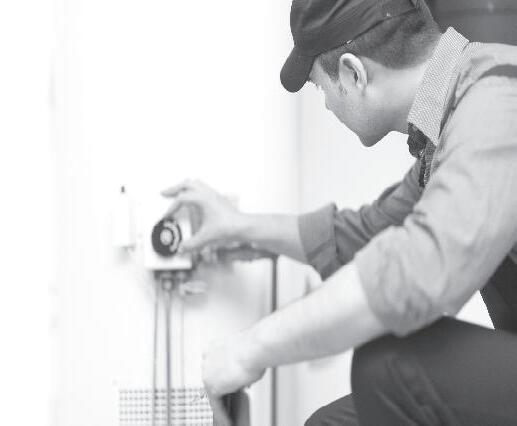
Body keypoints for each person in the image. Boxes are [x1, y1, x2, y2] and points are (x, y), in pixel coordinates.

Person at [162, 0, 517, 424]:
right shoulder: (449, 129)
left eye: (320, 88)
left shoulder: (499, 99)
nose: (327, 105)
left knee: (390, 362)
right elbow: (368, 234)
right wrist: (239, 227)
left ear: (353, 74)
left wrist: (250, 349)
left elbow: (416, 273)